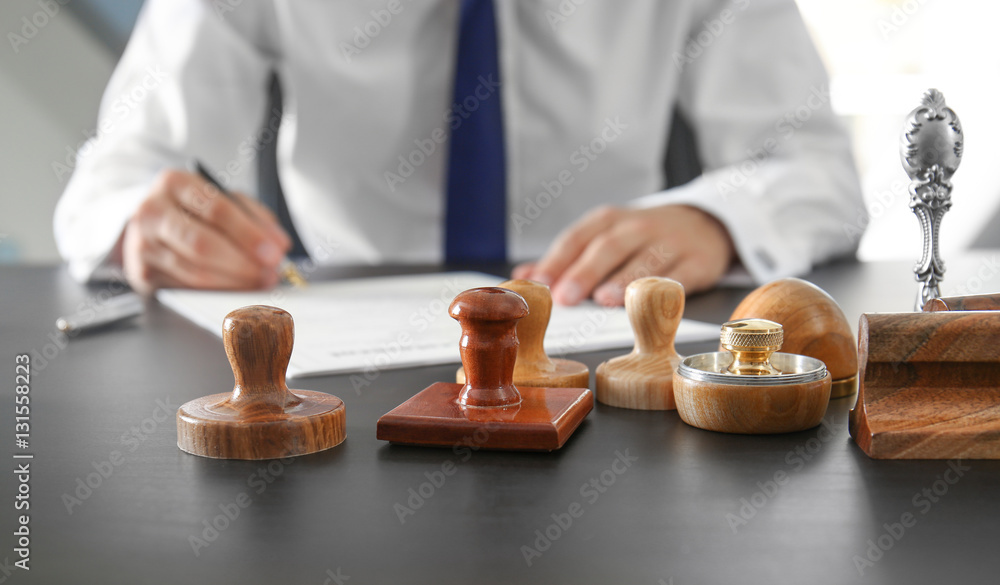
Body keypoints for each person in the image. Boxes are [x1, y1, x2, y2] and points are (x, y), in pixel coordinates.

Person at [54, 0, 864, 306]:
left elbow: (818, 169)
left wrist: (712, 218)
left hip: (601, 340)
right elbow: (114, 174)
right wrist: (143, 222)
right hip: (341, 353)